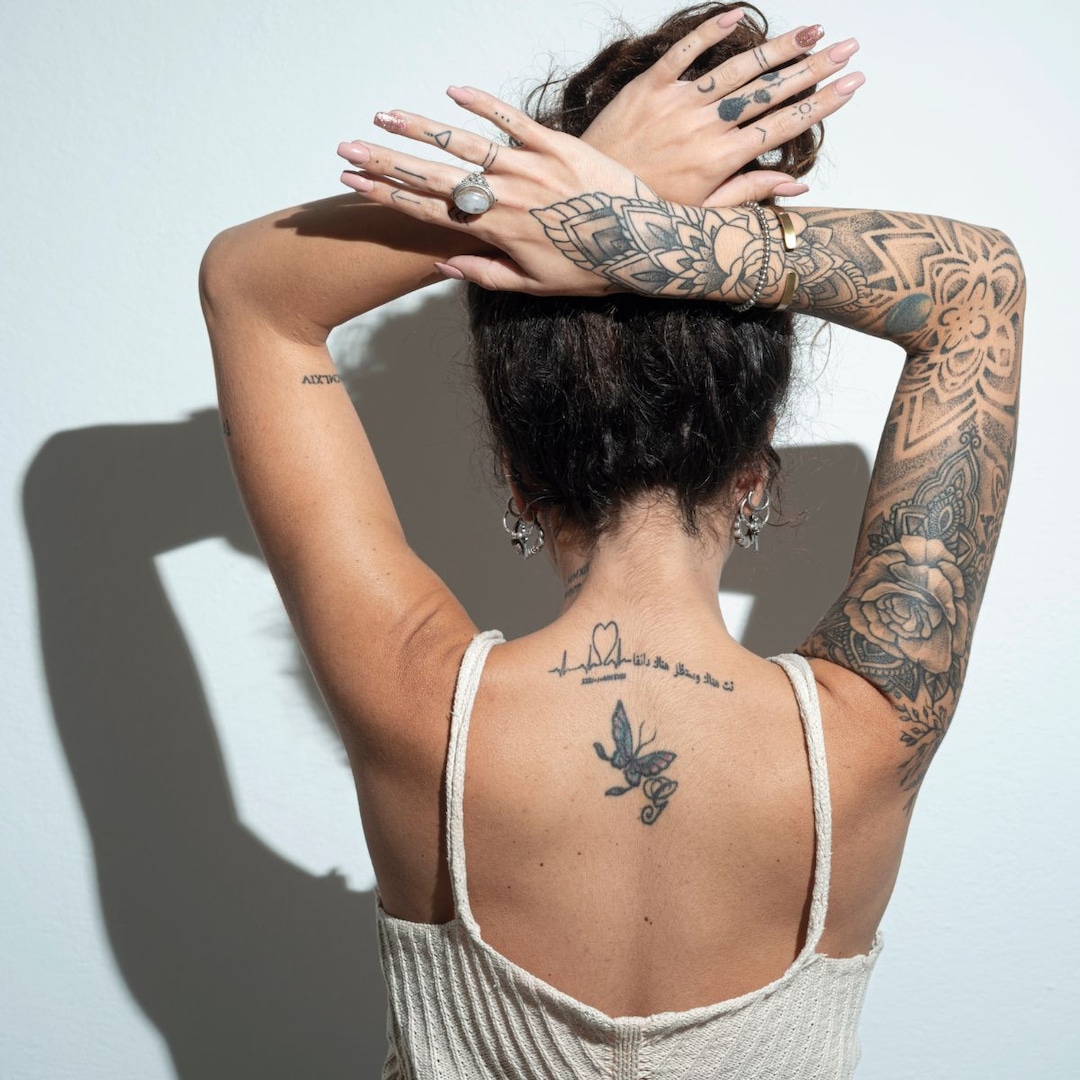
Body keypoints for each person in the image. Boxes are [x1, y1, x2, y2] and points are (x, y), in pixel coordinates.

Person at [198, 4, 1024, 1076]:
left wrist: (559, 194)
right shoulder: (870, 733)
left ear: (516, 474)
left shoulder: (413, 703)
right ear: (755, 472)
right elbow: (977, 289)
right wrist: (638, 230)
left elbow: (249, 288)